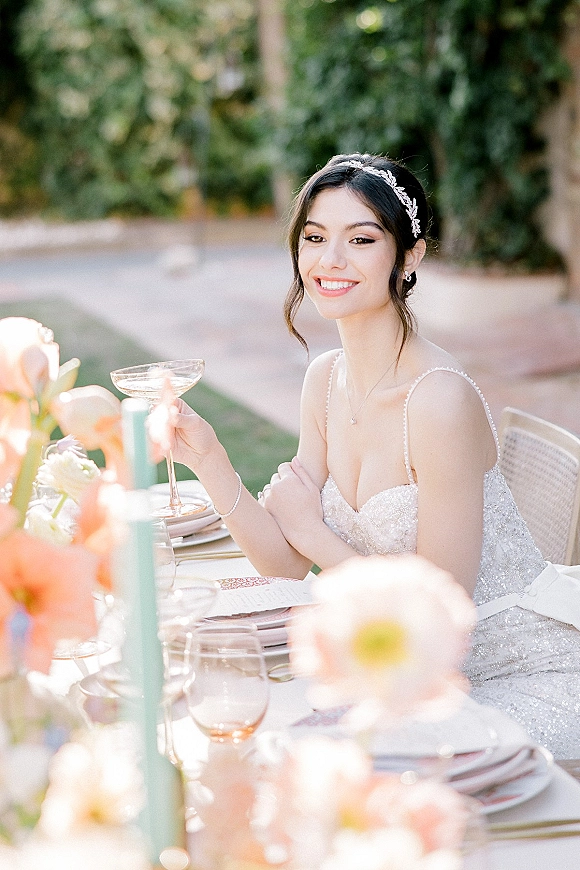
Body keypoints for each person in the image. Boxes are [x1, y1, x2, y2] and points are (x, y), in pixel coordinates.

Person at [167, 153, 580, 758]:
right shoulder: (326, 379)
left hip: (513, 682)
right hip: (410, 677)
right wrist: (208, 458)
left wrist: (313, 531)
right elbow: (281, 561)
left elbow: (442, 609)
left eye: (361, 239)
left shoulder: (437, 400)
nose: (330, 260)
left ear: (409, 256)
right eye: (315, 238)